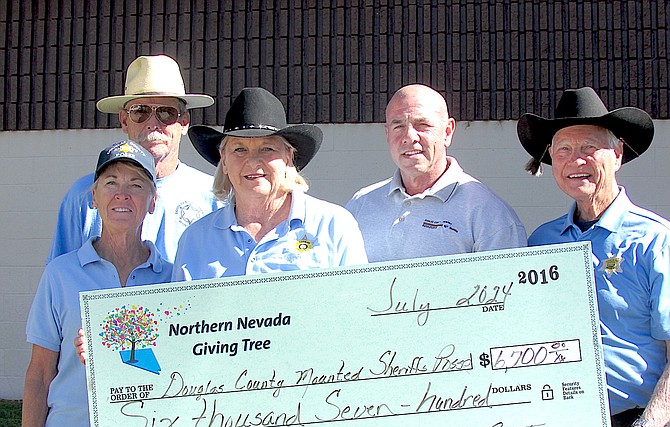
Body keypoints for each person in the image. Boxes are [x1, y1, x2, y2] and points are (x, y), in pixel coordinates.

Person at [517, 86, 670, 427]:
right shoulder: (540, 243)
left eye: (590, 147)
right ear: (550, 161)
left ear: (618, 153)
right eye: (563, 149)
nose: (575, 160)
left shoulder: (654, 240)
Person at [13, 140, 173, 427]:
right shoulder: (61, 274)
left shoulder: (173, 280)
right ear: (93, 198)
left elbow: (179, 368)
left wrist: (119, 351)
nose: (122, 194)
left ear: (152, 201)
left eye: (136, 184)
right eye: (111, 182)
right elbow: (39, 374)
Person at [171, 86, 368, 281]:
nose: (253, 161)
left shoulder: (333, 225)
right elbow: (180, 311)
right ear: (224, 160)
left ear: (288, 157)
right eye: (239, 149)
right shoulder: (195, 239)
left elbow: (357, 306)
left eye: (267, 148)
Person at [47, 54, 221, 263]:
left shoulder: (214, 197)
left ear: (183, 122)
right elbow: (61, 277)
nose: (152, 123)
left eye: (166, 113)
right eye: (140, 112)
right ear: (124, 120)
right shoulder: (83, 197)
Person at [346, 84, 526, 262]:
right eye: (398, 126)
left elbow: (508, 289)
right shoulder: (360, 205)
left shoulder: (490, 214)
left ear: (447, 132)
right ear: (387, 134)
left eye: (422, 125)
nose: (409, 137)